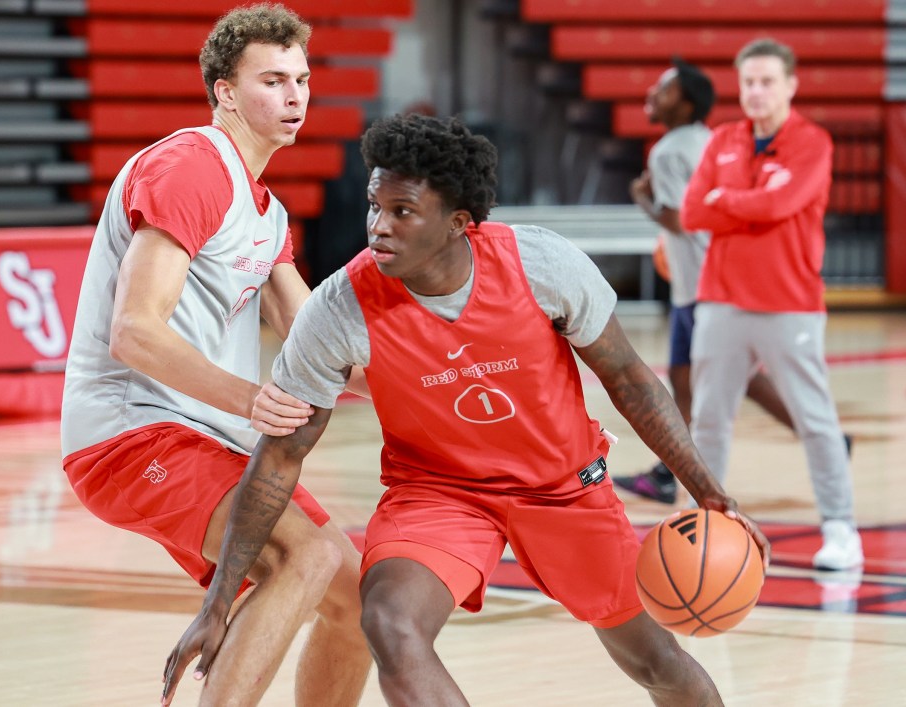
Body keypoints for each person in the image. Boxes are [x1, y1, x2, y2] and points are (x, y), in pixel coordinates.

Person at [164, 113, 771, 706]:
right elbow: (280, 456)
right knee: (389, 621)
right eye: (375, 206)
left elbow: (630, 378)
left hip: (564, 488)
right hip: (440, 493)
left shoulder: (541, 266)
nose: (379, 226)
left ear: (458, 222)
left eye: (402, 212)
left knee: (654, 661)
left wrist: (707, 490)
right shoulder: (340, 308)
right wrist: (217, 602)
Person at [59, 5, 371, 706]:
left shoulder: (267, 211)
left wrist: (444, 391)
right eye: (272, 80)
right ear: (225, 90)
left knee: (361, 600)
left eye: (302, 79)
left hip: (206, 438)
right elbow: (134, 329)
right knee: (306, 554)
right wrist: (249, 399)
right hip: (130, 433)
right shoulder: (192, 166)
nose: (294, 96)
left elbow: (321, 339)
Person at [681, 38, 863, 570]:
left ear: (790, 85)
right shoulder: (722, 140)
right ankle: (704, 527)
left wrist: (729, 202)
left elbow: (781, 202)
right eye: (749, 83)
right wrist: (746, 207)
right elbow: (693, 211)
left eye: (767, 81)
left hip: (790, 303)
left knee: (816, 419)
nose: (756, 92)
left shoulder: (813, 142)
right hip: (720, 300)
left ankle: (840, 527)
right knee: (709, 419)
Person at [615, 57, 798, 505]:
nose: (652, 95)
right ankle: (667, 471)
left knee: (729, 377)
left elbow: (678, 219)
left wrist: (642, 199)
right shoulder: (713, 141)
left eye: (665, 89)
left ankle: (820, 435)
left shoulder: (668, 151)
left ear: (687, 102)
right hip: (712, 279)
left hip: (699, 285)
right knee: (685, 379)